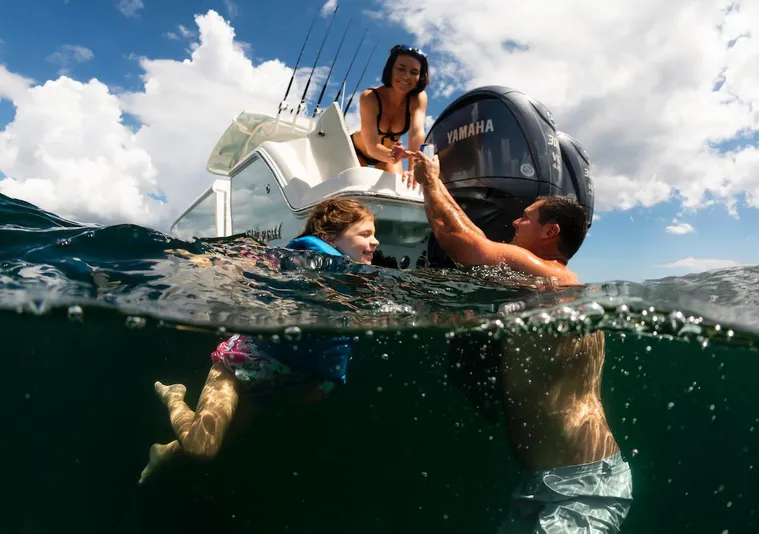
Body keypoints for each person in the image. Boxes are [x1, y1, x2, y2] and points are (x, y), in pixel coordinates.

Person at [410, 152, 633, 533]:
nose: (515, 220)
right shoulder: (545, 280)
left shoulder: (550, 277)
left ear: (550, 233)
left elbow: (460, 244)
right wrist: (436, 181)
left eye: (526, 217)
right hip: (548, 480)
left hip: (583, 485)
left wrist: (430, 181)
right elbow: (477, 241)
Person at [138, 198, 379, 484]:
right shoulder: (303, 263)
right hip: (238, 366)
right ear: (328, 238)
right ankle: (174, 396)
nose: (375, 242)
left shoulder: (355, 284)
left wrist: (325, 385)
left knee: (225, 437)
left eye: (374, 234)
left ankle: (163, 452)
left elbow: (340, 348)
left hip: (276, 380)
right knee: (202, 449)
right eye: (364, 234)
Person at [349, 44, 429, 175]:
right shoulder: (369, 97)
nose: (406, 76)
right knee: (351, 189)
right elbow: (371, 148)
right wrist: (391, 155)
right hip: (357, 151)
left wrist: (414, 169)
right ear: (390, 69)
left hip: (389, 157)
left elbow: (416, 133)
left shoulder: (419, 98)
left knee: (398, 190)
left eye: (414, 72)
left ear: (420, 77)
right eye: (401, 69)